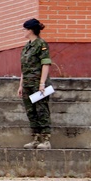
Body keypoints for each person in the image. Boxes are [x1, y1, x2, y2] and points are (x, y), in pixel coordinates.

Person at [18, 18, 52, 149]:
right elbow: (24, 68)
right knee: (31, 111)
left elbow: (45, 63)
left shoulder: (41, 44)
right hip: (27, 83)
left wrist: (42, 83)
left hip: (38, 83)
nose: (23, 31)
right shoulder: (27, 47)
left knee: (41, 110)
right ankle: (36, 138)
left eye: (25, 29)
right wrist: (21, 85)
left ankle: (46, 140)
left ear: (31, 30)